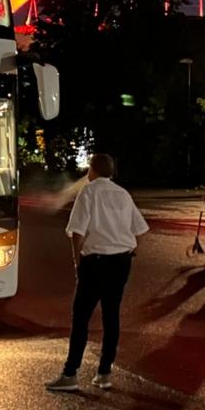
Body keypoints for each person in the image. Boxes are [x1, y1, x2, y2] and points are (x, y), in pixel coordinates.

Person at [46, 153, 148, 392]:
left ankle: (71, 373)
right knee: (111, 316)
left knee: (81, 316)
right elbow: (139, 230)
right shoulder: (123, 194)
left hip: (96, 261)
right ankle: (104, 373)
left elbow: (78, 230)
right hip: (121, 261)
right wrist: (128, 251)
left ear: (92, 170)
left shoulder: (89, 192)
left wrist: (77, 261)